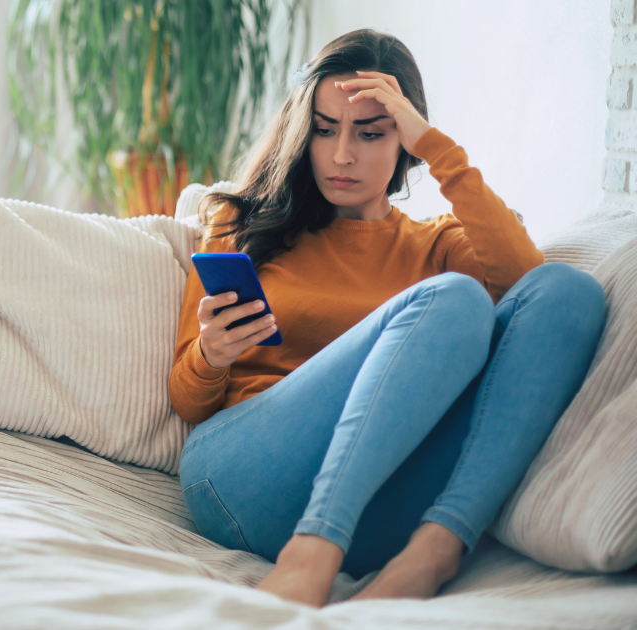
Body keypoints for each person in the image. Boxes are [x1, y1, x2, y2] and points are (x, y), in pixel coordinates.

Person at [169, 28, 606, 608]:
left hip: (381, 510)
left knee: (567, 292)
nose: (341, 154)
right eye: (324, 130)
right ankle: (311, 553)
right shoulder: (239, 220)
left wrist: (440, 150)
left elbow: (530, 283)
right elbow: (187, 401)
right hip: (243, 477)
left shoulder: (437, 245)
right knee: (451, 298)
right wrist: (210, 355)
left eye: (371, 133)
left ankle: (436, 550)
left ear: (405, 140)